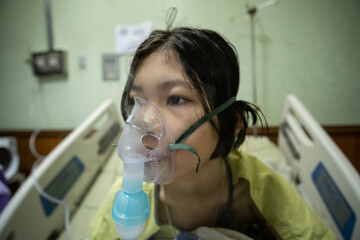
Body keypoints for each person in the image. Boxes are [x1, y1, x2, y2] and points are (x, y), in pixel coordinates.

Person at [91, 25, 335, 240]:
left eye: (175, 98)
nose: (143, 124)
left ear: (234, 122)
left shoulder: (264, 192)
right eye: (137, 101)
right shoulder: (123, 197)